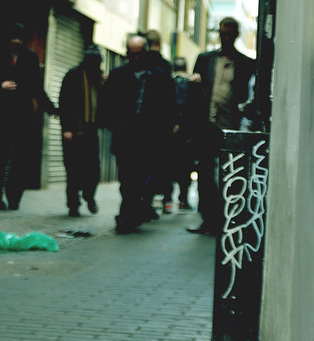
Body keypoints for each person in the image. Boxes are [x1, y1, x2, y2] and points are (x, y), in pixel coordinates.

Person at [0, 22, 59, 211]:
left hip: (22, 118)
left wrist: (51, 108)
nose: (16, 42)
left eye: (19, 39)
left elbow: (37, 87)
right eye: (13, 38)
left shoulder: (29, 57)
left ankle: (14, 197)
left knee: (21, 161)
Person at [187, 17, 256, 235]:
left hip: (230, 128)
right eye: (222, 33)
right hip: (206, 125)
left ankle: (225, 219)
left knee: (228, 175)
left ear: (236, 35)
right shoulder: (205, 59)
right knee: (205, 175)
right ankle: (207, 219)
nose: (225, 38)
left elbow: (248, 96)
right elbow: (194, 94)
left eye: (229, 34)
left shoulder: (246, 64)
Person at [102, 35, 176, 234]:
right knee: (127, 179)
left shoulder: (159, 77)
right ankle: (127, 215)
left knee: (141, 179)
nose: (135, 59)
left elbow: (168, 108)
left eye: (138, 55)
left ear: (145, 54)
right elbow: (105, 106)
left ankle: (130, 214)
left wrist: (164, 133)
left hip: (148, 140)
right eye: (131, 54)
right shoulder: (118, 76)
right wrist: (115, 126)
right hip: (125, 138)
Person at [58, 45, 104, 217]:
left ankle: (89, 196)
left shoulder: (98, 78)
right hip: (74, 132)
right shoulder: (74, 75)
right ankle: (73, 204)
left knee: (93, 170)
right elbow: (64, 103)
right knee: (73, 170)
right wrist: (67, 129)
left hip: (91, 132)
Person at [164, 57, 199, 212]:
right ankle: (183, 199)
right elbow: (193, 108)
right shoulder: (191, 83)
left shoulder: (167, 82)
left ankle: (167, 200)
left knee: (167, 167)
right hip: (186, 133)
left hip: (169, 132)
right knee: (185, 167)